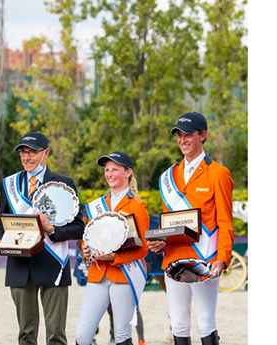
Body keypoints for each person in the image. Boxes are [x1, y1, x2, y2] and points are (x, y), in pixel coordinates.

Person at [147, 112, 233, 345]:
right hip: (174, 258)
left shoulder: (219, 174)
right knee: (179, 323)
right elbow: (170, 223)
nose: (183, 140)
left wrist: (222, 259)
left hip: (204, 259)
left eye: (189, 135)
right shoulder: (168, 176)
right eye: (179, 135)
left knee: (205, 321)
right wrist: (160, 241)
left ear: (202, 135)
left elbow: (225, 223)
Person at [0, 132, 85, 345]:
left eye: (32, 152)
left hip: (53, 262)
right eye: (23, 152)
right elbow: (0, 221)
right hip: (19, 263)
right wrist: (0, 238)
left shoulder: (64, 183)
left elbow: (78, 227)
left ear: (46, 153)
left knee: (56, 336)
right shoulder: (9, 184)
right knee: (25, 335)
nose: (27, 157)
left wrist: (51, 228)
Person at [74, 151, 150, 345]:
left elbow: (143, 250)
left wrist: (114, 258)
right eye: (107, 170)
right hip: (97, 274)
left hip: (123, 275)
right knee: (82, 336)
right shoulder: (97, 205)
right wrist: (86, 249)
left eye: (115, 169)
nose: (110, 174)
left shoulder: (138, 207)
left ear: (128, 172)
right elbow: (88, 237)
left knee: (122, 335)